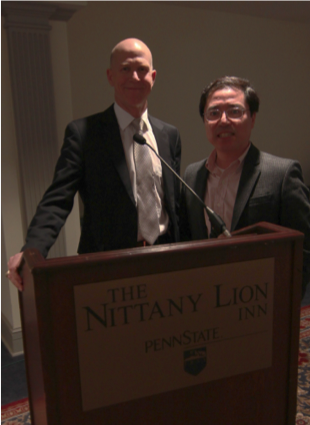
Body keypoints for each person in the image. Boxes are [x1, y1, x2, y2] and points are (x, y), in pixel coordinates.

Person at [7, 38, 181, 291]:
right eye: (125, 69)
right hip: (106, 268)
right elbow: (57, 200)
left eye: (142, 69)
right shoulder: (84, 133)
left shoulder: (170, 135)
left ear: (153, 76)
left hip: (166, 259)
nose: (134, 76)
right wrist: (31, 250)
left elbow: (173, 206)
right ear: (110, 76)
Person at [179, 76, 310, 296]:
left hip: (262, 300)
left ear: (252, 118)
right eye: (213, 113)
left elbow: (306, 246)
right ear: (204, 121)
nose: (223, 120)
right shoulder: (191, 175)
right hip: (204, 299)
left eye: (235, 111)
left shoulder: (281, 173)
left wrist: (286, 300)